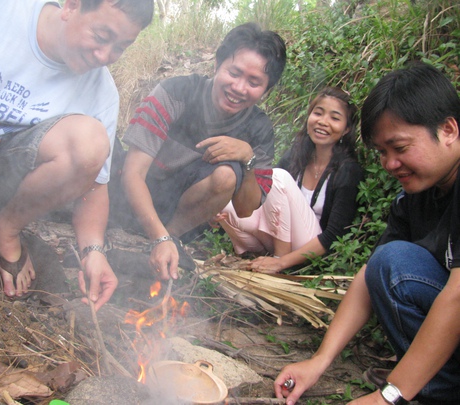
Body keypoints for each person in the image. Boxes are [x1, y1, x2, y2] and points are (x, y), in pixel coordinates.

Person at [0, 0, 154, 311]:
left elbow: (95, 186)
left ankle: (7, 227)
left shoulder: (102, 92)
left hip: (3, 185)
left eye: (120, 47)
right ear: (71, 6)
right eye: (101, 36)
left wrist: (93, 252)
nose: (104, 56)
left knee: (92, 142)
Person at [275, 62, 460, 405]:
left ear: (448, 129)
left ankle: (421, 388)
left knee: (395, 262)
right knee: (388, 265)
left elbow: (458, 296)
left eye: (400, 148)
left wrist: (386, 398)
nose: (390, 164)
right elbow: (370, 274)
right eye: (382, 152)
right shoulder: (413, 197)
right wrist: (319, 361)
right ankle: (437, 386)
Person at [120, 23, 287, 280]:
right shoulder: (176, 93)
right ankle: (159, 237)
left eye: (254, 82)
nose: (239, 88)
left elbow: (245, 209)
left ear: (266, 90)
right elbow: (132, 173)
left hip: (181, 213)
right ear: (217, 64)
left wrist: (247, 158)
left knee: (227, 175)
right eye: (234, 73)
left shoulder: (259, 129)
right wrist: (158, 236)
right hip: (135, 197)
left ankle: (171, 238)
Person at [217, 87, 363, 273]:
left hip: (311, 247)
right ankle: (253, 259)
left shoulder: (348, 171)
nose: (323, 122)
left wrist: (281, 262)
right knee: (227, 207)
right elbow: (267, 201)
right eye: (318, 113)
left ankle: (277, 262)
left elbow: (334, 235)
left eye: (334, 118)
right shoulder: (295, 156)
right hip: (279, 237)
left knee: (277, 177)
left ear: (346, 129)